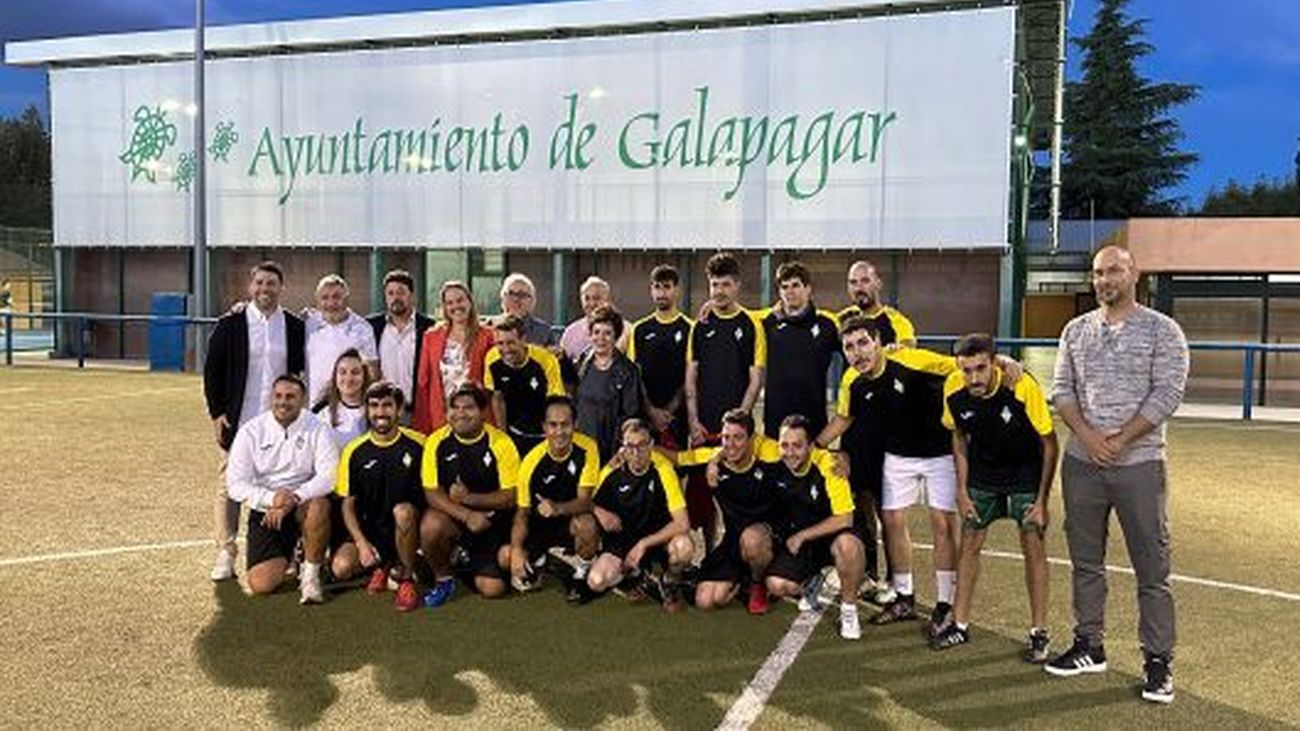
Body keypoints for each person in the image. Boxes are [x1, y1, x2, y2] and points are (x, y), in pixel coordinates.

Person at [1045, 245, 1188, 705]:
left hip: (1140, 465)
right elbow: (1062, 390)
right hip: (1083, 464)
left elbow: (1167, 393)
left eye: (1113, 271)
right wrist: (1088, 438)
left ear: (1133, 274)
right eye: (1098, 273)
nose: (1105, 280)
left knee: (1152, 567)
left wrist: (1121, 439)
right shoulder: (1075, 330)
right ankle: (1090, 644)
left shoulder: (1163, 331)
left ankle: (1158, 661)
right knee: (1085, 561)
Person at [817, 316, 961, 634]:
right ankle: (905, 598)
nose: (858, 353)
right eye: (849, 347)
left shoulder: (910, 359)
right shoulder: (851, 379)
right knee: (892, 521)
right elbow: (843, 418)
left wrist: (1003, 363)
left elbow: (960, 366)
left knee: (942, 524)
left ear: (878, 341)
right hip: (898, 454)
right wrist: (814, 447)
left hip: (939, 452)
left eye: (863, 343)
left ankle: (946, 605)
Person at [932, 334, 1058, 663]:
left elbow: (1049, 443)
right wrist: (961, 490)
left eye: (981, 368)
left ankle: (1039, 632)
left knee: (1033, 547)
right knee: (969, 542)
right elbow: (958, 437)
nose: (974, 377)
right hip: (982, 477)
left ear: (994, 362)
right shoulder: (953, 390)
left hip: (1024, 477)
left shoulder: (1020, 386)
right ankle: (959, 624)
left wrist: (1042, 501)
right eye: (967, 370)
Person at [203, 261, 305, 582]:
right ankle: (226, 551)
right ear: (251, 287)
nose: (265, 289)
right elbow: (212, 370)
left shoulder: (293, 326)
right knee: (230, 485)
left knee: (281, 483)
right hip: (240, 421)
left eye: (271, 283)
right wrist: (217, 412)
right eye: (259, 283)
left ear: (280, 287)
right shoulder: (231, 324)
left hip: (280, 423)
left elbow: (302, 369)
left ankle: (287, 552)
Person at [224, 374, 338, 604]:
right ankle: (294, 552)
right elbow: (235, 483)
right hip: (269, 509)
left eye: (290, 397)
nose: (283, 402)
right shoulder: (251, 431)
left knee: (318, 507)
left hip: (303, 503)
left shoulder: (318, 428)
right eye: (278, 396)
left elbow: (330, 476)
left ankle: (311, 577)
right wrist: (272, 498)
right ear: (270, 398)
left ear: (303, 400)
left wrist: (294, 497)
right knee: (261, 584)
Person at [764, 415, 866, 641]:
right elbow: (737, 444)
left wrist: (802, 535)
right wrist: (715, 461)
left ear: (811, 446)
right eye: (785, 445)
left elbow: (844, 519)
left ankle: (849, 610)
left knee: (848, 547)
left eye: (798, 446)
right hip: (809, 543)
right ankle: (813, 582)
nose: (789, 452)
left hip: (836, 535)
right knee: (776, 584)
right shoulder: (775, 457)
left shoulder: (829, 465)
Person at [418, 383, 521, 604]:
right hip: (456, 519)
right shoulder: (436, 441)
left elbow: (512, 496)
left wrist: (469, 499)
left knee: (493, 590)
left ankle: (461, 563)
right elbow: (432, 493)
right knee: (431, 525)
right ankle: (443, 579)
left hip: (491, 525)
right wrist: (467, 515)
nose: (460, 414)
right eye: (454, 408)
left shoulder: (502, 443)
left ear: (483, 412)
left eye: (468, 408)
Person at [331, 381, 426, 612]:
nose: (380, 412)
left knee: (402, 512)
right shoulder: (354, 451)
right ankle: (382, 566)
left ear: (399, 409)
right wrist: (362, 544)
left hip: (408, 529)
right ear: (367, 410)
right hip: (372, 534)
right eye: (374, 406)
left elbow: (433, 495)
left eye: (387, 405)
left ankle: (406, 579)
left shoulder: (420, 444)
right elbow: (347, 505)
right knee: (341, 568)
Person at [586, 419, 694, 611]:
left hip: (657, 539)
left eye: (642, 445)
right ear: (623, 446)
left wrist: (643, 544)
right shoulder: (612, 470)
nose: (636, 453)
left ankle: (669, 581)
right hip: (622, 540)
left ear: (651, 444)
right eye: (630, 446)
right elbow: (586, 500)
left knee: (684, 547)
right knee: (596, 581)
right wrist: (599, 511)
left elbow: (683, 523)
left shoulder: (663, 469)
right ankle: (635, 576)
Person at [681, 409, 781, 614]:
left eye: (738, 437)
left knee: (752, 540)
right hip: (734, 541)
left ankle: (757, 583)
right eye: (726, 437)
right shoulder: (715, 461)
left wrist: (842, 456)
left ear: (751, 439)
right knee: (705, 601)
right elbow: (677, 458)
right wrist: (629, 450)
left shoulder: (770, 458)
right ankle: (742, 579)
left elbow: (804, 453)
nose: (730, 444)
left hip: (768, 537)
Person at [507, 395, 602, 602]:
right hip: (538, 525)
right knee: (507, 559)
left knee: (587, 525)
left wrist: (556, 508)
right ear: (544, 427)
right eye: (553, 425)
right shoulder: (530, 462)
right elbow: (522, 512)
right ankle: (541, 558)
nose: (559, 432)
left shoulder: (588, 449)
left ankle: (581, 572)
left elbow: (585, 500)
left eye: (565, 425)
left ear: (575, 424)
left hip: (570, 519)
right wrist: (516, 550)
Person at [685, 253, 765, 446]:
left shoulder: (751, 325)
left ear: (737, 285)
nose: (719, 291)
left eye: (725, 285)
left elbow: (755, 382)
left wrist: (740, 424)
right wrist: (693, 422)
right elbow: (690, 380)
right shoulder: (700, 326)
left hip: (737, 433)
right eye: (714, 285)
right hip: (702, 430)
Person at [760, 261, 841, 438]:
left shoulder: (827, 325)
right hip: (776, 424)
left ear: (808, 288)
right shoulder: (767, 324)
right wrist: (711, 306)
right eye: (784, 287)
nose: (790, 291)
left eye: (795, 285)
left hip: (814, 422)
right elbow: (739, 315)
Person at [412, 281, 495, 434]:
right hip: (441, 418)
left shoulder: (488, 336)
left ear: (470, 301)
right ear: (444, 307)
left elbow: (493, 384)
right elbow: (423, 383)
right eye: (449, 302)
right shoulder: (431, 337)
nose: (456, 306)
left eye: (460, 300)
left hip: (477, 417)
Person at [627, 264, 693, 449]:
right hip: (646, 415)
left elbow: (690, 374)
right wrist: (650, 410)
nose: (661, 293)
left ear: (676, 290)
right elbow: (635, 374)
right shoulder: (639, 329)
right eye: (657, 287)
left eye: (666, 287)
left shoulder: (689, 328)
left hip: (677, 416)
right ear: (651, 290)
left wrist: (670, 409)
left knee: (676, 471)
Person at [485, 314, 565, 456]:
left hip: (543, 435)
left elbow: (556, 402)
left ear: (523, 340)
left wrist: (554, 437)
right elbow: (497, 397)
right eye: (500, 343)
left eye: (510, 343)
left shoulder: (546, 360)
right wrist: (503, 437)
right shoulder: (492, 358)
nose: (505, 349)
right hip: (514, 432)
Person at [575, 306, 645, 462]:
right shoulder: (581, 364)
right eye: (596, 332)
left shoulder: (628, 371)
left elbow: (631, 416)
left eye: (607, 333)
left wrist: (623, 451)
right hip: (582, 450)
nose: (601, 338)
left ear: (616, 336)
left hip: (612, 453)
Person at [367, 269, 434, 419]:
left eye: (401, 292)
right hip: (381, 413)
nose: (395, 297)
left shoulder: (429, 328)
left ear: (411, 295)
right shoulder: (370, 327)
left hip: (417, 411)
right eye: (390, 293)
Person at [304, 274, 379, 407]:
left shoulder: (363, 328)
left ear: (346, 298)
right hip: (315, 406)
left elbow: (372, 372)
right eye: (325, 298)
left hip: (351, 407)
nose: (331, 303)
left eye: (336, 297)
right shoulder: (308, 323)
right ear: (317, 301)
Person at [839, 260, 916, 348]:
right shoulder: (843, 317)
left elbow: (908, 345)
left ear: (878, 284)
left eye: (865, 281)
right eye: (853, 282)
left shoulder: (895, 321)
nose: (859, 288)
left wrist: (897, 350)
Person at [312, 348, 374, 449]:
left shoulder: (376, 409)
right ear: (335, 376)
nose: (348, 378)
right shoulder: (320, 412)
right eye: (342, 372)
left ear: (364, 376)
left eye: (355, 372)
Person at [559, 276, 629, 362]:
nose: (592, 303)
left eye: (596, 298)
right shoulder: (570, 333)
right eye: (587, 298)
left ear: (607, 299)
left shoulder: (626, 330)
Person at [499, 272, 555, 346]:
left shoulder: (544, 331)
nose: (515, 299)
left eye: (521, 294)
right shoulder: (490, 329)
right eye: (511, 293)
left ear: (532, 301)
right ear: (502, 299)